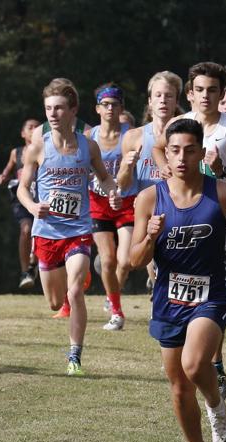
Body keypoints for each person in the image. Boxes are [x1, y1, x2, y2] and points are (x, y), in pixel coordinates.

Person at [130, 118, 226, 442]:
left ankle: (216, 405)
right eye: (175, 150)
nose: (182, 158)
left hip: (212, 293)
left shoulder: (224, 193)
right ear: (165, 155)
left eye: (190, 150)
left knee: (193, 363)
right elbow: (134, 261)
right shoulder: (149, 199)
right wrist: (150, 237)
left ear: (201, 153)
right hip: (168, 298)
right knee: (178, 387)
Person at [154, 61, 226, 397]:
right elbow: (158, 147)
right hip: (182, 221)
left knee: (215, 290)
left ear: (222, 93)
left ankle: (214, 364)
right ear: (189, 93)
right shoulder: (178, 125)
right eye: (200, 90)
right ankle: (211, 362)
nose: (206, 96)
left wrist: (224, 172)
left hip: (223, 222)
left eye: (212, 90)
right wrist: (164, 169)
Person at [18, 78, 118, 375]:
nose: (53, 113)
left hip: (79, 230)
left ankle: (75, 355)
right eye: (49, 108)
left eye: (59, 108)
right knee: (54, 302)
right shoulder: (37, 147)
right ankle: (66, 287)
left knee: (75, 293)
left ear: (73, 110)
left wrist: (112, 191)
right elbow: (23, 188)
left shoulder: (88, 146)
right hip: (47, 232)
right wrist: (32, 206)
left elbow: (104, 178)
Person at [118, 71, 185, 291]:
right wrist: (127, 166)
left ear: (176, 101)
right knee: (139, 260)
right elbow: (123, 184)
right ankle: (157, 285)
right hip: (147, 209)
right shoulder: (133, 137)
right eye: (158, 95)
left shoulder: (187, 134)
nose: (163, 100)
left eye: (169, 95)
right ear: (149, 101)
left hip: (180, 204)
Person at [88, 83, 133, 331]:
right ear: (97, 108)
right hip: (98, 202)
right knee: (107, 260)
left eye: (114, 104)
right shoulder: (89, 137)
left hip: (127, 201)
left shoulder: (131, 135)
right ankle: (116, 311)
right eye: (105, 104)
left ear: (121, 108)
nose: (110, 109)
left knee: (124, 261)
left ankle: (112, 292)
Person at [0, 118, 42, 290]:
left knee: (40, 233)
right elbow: (8, 171)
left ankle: (34, 263)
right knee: (26, 230)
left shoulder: (46, 150)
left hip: (41, 198)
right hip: (22, 198)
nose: (34, 129)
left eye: (37, 127)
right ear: (23, 133)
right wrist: (3, 176)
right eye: (30, 127)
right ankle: (25, 272)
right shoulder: (16, 152)